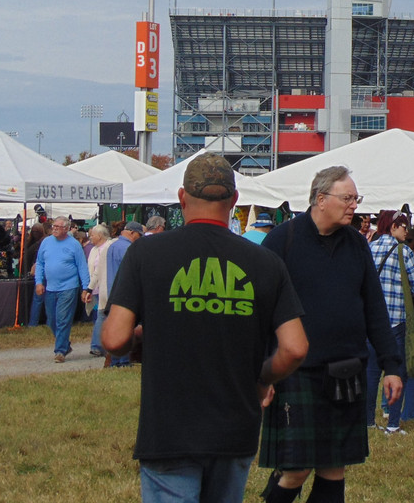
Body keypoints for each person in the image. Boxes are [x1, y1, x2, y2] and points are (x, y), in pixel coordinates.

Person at [102, 152, 309, 503]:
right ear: (235, 200)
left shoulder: (146, 254)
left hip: (169, 429)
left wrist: (143, 337)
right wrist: (261, 379)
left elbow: (114, 338)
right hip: (235, 428)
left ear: (182, 198)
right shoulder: (265, 262)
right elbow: (295, 348)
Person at [259, 166, 402, 503]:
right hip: (296, 372)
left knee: (334, 467)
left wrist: (392, 366)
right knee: (296, 468)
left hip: (346, 371)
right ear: (321, 199)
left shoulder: (356, 244)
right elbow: (260, 314)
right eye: (347, 198)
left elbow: (374, 310)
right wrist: (264, 372)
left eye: (356, 198)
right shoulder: (282, 240)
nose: (354, 205)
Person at [365, 210, 414, 435]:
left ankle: (368, 421)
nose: (406, 231)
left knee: (371, 373)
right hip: (397, 321)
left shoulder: (369, 248)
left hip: (372, 322)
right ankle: (393, 424)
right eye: (403, 226)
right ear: (392, 226)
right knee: (397, 372)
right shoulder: (404, 252)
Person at [35, 216, 92, 362]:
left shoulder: (74, 245)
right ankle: (65, 344)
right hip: (50, 287)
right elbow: (40, 263)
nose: (54, 229)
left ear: (66, 229)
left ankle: (60, 351)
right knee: (51, 320)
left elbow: (82, 267)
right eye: (53, 226)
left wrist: (86, 287)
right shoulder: (46, 242)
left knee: (62, 319)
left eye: (57, 227)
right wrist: (39, 282)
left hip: (69, 287)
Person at [104, 221, 144, 367]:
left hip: (111, 291)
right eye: (139, 235)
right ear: (132, 233)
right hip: (125, 293)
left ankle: (114, 361)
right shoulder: (130, 248)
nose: (139, 239)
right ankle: (124, 361)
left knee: (115, 326)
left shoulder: (112, 245)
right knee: (127, 328)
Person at [85, 223, 111, 357]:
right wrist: (88, 288)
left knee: (102, 316)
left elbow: (99, 270)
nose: (90, 238)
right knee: (99, 316)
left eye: (92, 235)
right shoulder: (93, 250)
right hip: (95, 289)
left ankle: (99, 345)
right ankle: (99, 345)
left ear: (100, 235)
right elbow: (92, 270)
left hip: (106, 287)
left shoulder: (110, 246)